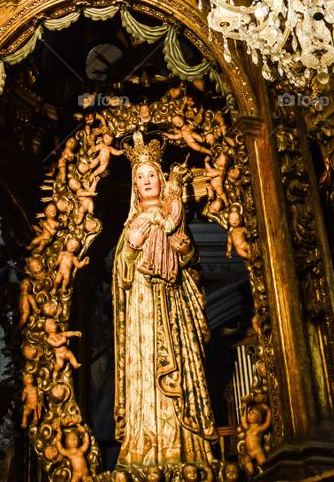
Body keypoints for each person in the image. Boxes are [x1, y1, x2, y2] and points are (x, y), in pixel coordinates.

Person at [113, 134, 216, 468]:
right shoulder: (131, 224)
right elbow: (120, 273)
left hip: (172, 303)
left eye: (151, 174)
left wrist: (185, 249)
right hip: (142, 308)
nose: (146, 181)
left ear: (161, 177)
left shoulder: (176, 216)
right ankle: (144, 446)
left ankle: (184, 447)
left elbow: (190, 265)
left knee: (181, 365)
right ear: (134, 186)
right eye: (139, 177)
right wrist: (132, 245)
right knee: (146, 370)